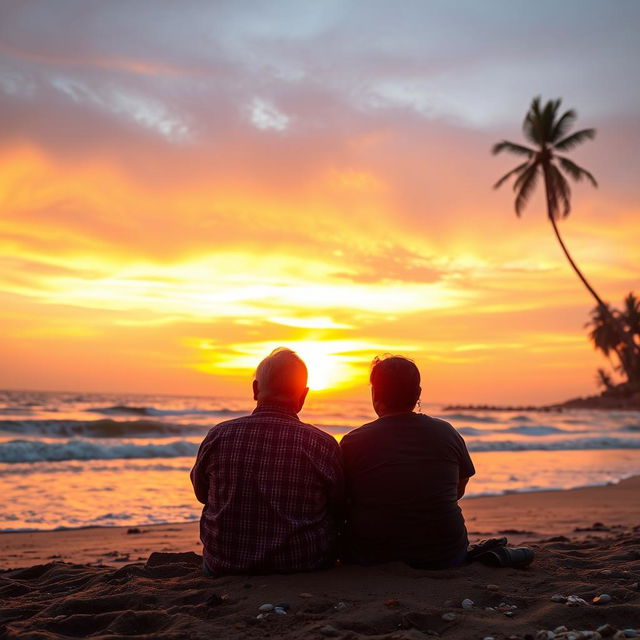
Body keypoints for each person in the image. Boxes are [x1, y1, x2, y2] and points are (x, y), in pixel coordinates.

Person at [191, 347, 344, 575]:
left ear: (255, 389)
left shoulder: (218, 435)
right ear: (303, 395)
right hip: (302, 564)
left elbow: (202, 494)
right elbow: (339, 506)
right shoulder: (322, 444)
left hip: (224, 563)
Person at [340, 355, 475, 569]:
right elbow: (458, 488)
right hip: (446, 554)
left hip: (371, 556)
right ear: (418, 393)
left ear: (374, 393)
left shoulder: (353, 441)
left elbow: (342, 499)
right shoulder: (447, 433)